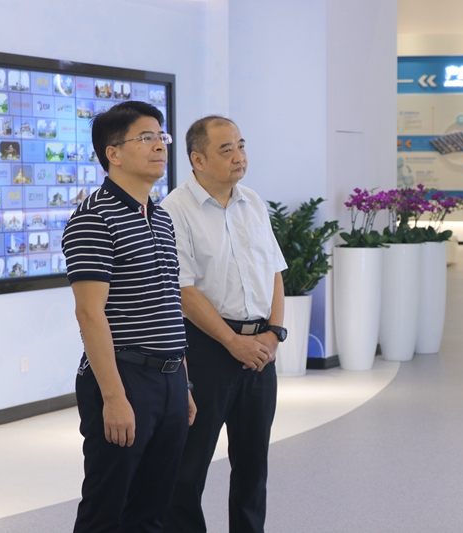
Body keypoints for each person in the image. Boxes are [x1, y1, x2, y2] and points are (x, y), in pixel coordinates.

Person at [62, 100, 196, 532]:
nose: (160, 145)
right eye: (146, 137)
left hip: (169, 378)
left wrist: (183, 382)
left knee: (152, 510)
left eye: (161, 136)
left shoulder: (161, 218)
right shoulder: (94, 218)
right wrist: (114, 398)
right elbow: (89, 313)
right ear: (113, 153)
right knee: (108, 508)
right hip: (124, 376)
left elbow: (169, 305)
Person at [161, 115, 287, 533]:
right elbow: (184, 290)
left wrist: (274, 333)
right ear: (197, 159)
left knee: (253, 469)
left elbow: (274, 271)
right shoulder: (175, 210)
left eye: (241, 145)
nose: (239, 156)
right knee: (187, 471)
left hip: (260, 351)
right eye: (226, 149)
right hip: (208, 351)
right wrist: (233, 342)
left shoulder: (253, 201)